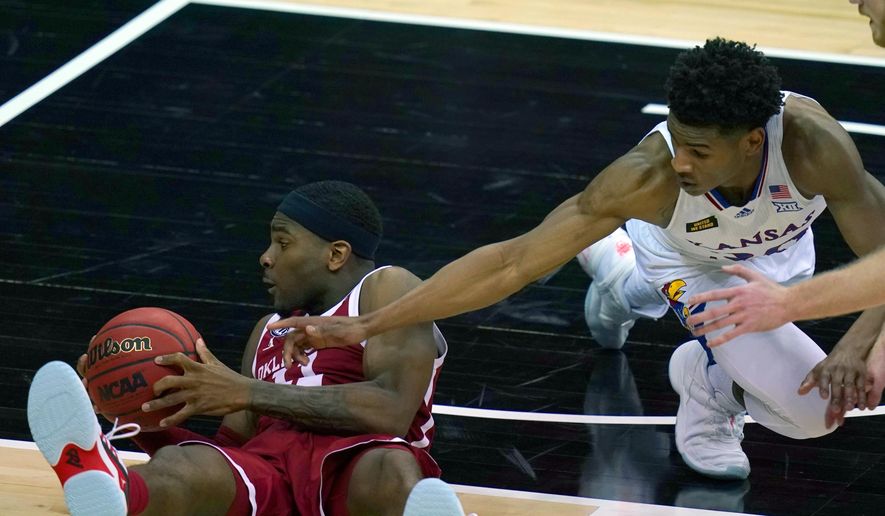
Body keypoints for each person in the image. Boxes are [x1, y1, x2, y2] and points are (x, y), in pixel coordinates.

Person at [269, 39, 885, 481]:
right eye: (677, 140)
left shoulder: (814, 145)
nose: (682, 162)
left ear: (754, 140)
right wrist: (367, 324)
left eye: (699, 150)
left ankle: (704, 382)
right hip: (689, 262)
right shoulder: (647, 177)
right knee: (813, 408)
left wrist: (858, 340)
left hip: (776, 258)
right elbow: (512, 264)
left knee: (820, 410)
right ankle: (631, 273)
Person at [27, 181, 466, 516]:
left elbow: (390, 409)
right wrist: (134, 411)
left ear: (336, 254)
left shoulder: (386, 289)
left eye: (283, 241)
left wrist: (246, 391)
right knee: (190, 465)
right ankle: (111, 485)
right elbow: (232, 450)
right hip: (272, 475)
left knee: (390, 471)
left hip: (354, 471)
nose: (266, 256)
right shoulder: (267, 331)